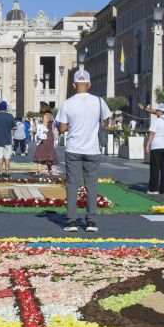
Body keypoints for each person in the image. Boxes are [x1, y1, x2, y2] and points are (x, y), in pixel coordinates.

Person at [56, 70, 112, 232]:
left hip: (74, 148)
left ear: (74, 85)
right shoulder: (99, 102)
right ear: (89, 84)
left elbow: (62, 128)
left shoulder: (67, 103)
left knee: (72, 185)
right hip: (92, 149)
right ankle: (91, 222)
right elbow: (106, 122)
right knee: (91, 186)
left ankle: (72, 221)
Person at [142, 102, 164, 195]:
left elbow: (152, 134)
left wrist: (147, 145)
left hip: (156, 146)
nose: (156, 112)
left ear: (160, 111)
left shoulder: (156, 121)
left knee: (155, 168)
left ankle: (153, 189)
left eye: (157, 110)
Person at [0, 102, 16, 178]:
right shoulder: (10, 116)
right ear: (6, 108)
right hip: (8, 139)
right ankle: (7, 172)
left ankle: (0, 172)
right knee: (7, 157)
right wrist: (9, 128)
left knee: (0, 157)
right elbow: (15, 127)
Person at [32, 107, 59, 176]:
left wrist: (37, 124)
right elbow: (52, 127)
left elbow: (44, 126)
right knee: (49, 151)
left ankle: (39, 170)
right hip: (50, 135)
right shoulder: (51, 116)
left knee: (40, 150)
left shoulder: (45, 115)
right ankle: (50, 170)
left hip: (45, 135)